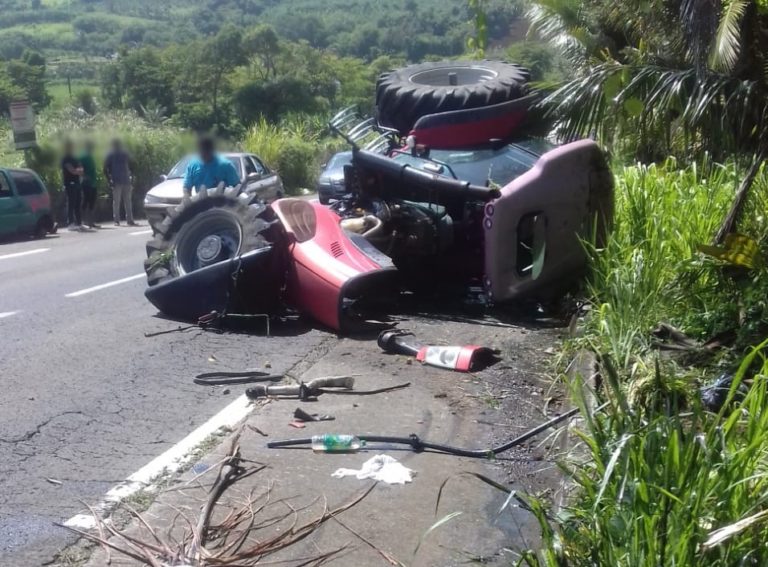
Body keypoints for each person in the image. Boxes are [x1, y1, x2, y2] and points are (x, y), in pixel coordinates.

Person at [104, 138, 136, 226]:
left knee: (117, 202)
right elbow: (133, 164)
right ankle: (128, 220)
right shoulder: (124, 153)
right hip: (124, 180)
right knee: (127, 201)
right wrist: (132, 176)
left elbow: (105, 168)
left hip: (118, 180)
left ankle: (117, 220)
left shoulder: (111, 154)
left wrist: (109, 180)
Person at [61, 140, 84, 231]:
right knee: (71, 203)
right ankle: (70, 223)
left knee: (78, 203)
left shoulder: (75, 158)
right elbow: (72, 170)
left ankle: (79, 223)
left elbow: (81, 169)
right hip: (69, 184)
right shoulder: (65, 158)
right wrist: (77, 171)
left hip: (77, 183)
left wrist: (77, 171)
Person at [79, 140, 100, 229]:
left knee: (92, 202)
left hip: (93, 183)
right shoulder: (83, 156)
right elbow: (79, 166)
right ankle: (83, 221)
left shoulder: (91, 156)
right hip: (86, 183)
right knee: (85, 201)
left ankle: (91, 221)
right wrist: (83, 175)